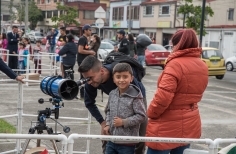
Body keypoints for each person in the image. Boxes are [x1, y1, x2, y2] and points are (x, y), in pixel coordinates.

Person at [145, 29, 209, 154]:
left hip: (166, 125)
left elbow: (163, 97)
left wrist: (151, 113)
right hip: (191, 120)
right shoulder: (202, 65)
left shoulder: (175, 64)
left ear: (177, 45)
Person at [78, 55, 147, 154]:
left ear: (102, 71)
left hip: (135, 96)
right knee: (106, 132)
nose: (89, 82)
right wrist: (103, 123)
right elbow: (89, 103)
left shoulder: (120, 73)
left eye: (90, 78)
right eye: (86, 79)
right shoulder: (91, 81)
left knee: (140, 133)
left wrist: (125, 121)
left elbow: (140, 115)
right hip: (114, 96)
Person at [104, 63, 146, 154]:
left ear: (131, 78)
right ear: (113, 79)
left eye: (125, 77)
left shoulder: (135, 96)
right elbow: (108, 111)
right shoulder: (112, 94)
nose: (121, 80)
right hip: (112, 139)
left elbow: (141, 116)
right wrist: (107, 124)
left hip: (127, 143)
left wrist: (123, 122)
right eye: (118, 77)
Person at [77, 24, 96, 99]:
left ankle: (84, 94)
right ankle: (82, 94)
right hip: (81, 60)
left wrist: (90, 50)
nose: (91, 31)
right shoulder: (82, 38)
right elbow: (80, 50)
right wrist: (90, 52)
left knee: (85, 77)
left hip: (85, 60)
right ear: (85, 30)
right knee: (83, 77)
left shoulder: (86, 39)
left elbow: (86, 48)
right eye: (90, 30)